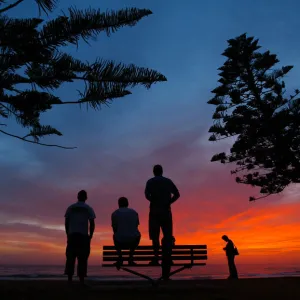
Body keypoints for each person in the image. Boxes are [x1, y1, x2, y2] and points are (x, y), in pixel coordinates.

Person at [145, 164, 180, 279]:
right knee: (167, 237)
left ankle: (155, 257)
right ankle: (168, 258)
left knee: (155, 236)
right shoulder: (168, 181)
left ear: (154, 172)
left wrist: (153, 200)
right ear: (162, 171)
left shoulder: (150, 182)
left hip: (154, 212)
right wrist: (169, 202)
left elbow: (146, 195)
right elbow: (177, 194)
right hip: (166, 211)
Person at [64, 190, 96, 285]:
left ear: (77, 197)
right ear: (86, 198)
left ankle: (70, 279)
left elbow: (66, 222)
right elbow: (92, 223)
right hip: (83, 236)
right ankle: (81, 280)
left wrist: (68, 234)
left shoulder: (71, 207)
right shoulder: (88, 208)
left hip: (72, 235)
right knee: (82, 258)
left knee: (70, 257)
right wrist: (91, 235)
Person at [111, 197, 141, 268]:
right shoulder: (134, 212)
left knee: (115, 235)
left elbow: (114, 229)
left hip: (120, 241)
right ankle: (130, 258)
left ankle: (120, 258)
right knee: (137, 235)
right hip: (133, 241)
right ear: (127, 203)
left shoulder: (115, 213)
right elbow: (136, 226)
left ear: (119, 204)